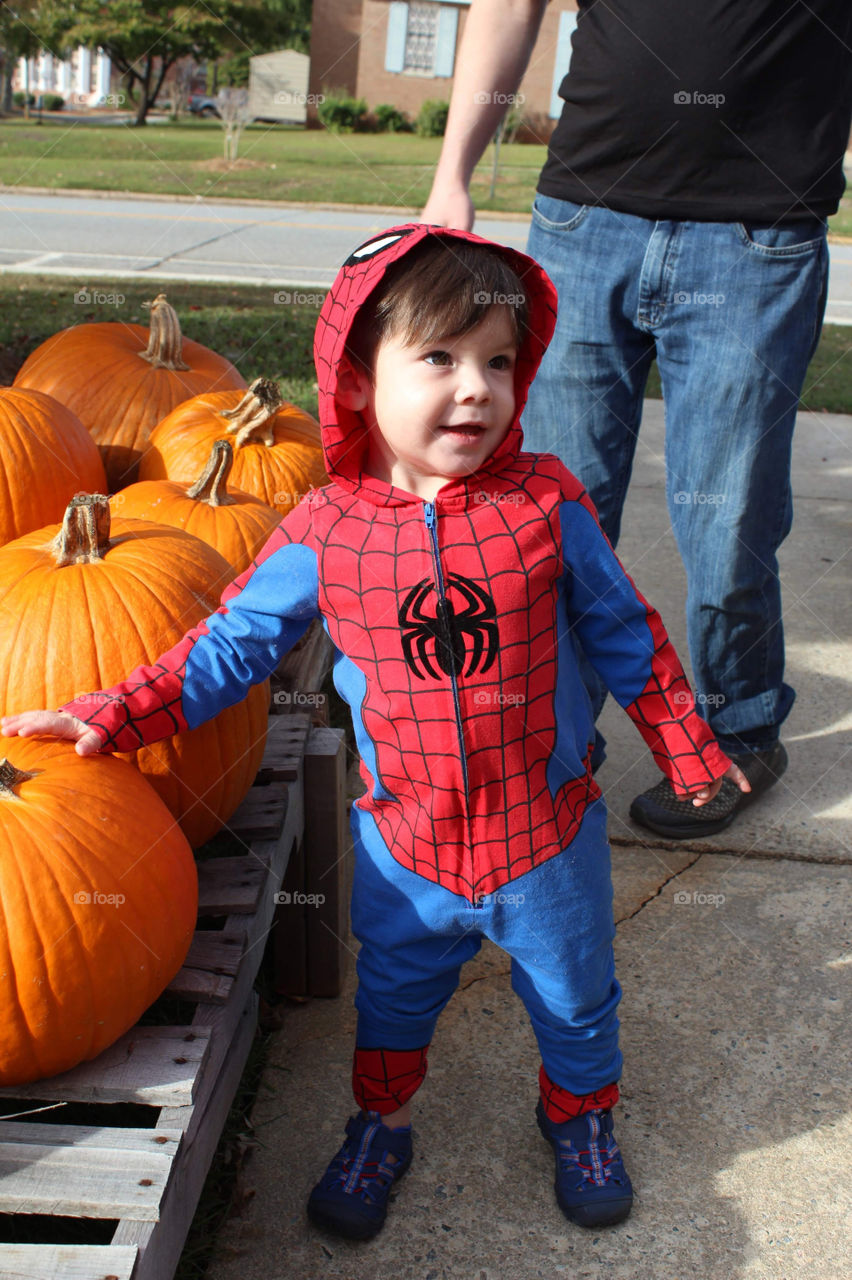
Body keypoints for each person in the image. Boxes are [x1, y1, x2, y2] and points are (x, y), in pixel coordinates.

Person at [2, 224, 748, 1240]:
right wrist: (114, 710)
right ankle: (381, 1123)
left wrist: (687, 742)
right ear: (355, 379)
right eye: (440, 357)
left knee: (577, 997)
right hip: (410, 849)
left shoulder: (547, 503)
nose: (477, 387)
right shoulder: (324, 528)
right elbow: (229, 645)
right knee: (394, 1003)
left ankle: (580, 1114)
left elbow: (627, 631)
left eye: (498, 360)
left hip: (548, 834)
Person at [422, 0, 852, 838]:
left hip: (758, 236)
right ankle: (550, 740)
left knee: (728, 524)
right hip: (584, 218)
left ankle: (739, 732)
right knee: (547, 516)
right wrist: (453, 177)